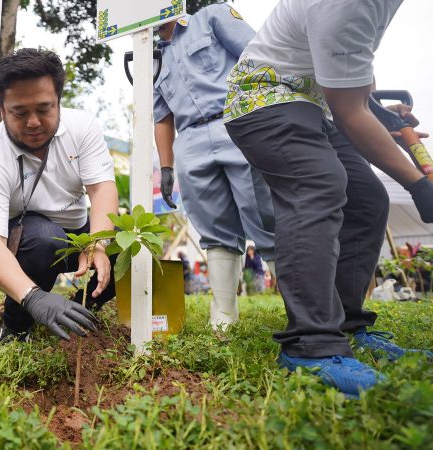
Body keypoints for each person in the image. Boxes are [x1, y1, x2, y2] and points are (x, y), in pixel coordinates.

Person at [224, 0, 433, 397]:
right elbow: (350, 112)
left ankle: (348, 325)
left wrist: (380, 117)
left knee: (367, 199)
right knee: (317, 182)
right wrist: (420, 186)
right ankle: (311, 344)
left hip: (314, 104)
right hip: (261, 97)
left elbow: (354, 85)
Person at [0, 48, 114, 342]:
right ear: (2, 108)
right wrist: (33, 296)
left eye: (44, 109)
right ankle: (16, 327)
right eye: (19, 112)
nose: (33, 122)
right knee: (45, 237)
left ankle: (83, 310)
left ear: (59, 101)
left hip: (77, 230)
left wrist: (98, 244)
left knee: (127, 240)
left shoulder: (82, 127)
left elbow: (101, 190)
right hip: (27, 238)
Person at [153, 4, 275, 331]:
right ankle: (224, 317)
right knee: (214, 229)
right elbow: (162, 116)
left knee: (267, 217)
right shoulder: (152, 56)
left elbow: (258, 59)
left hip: (236, 121)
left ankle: (302, 309)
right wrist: (166, 167)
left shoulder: (212, 17)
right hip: (190, 139)